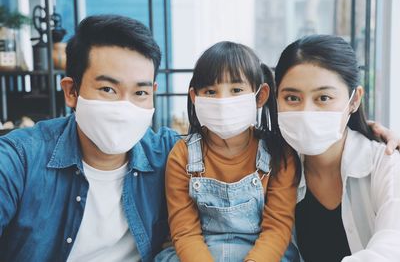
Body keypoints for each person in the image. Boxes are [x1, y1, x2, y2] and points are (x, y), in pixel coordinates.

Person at [0, 15, 179, 262]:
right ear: (71, 92)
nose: (124, 107)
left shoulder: (170, 155)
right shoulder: (21, 159)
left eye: (140, 92)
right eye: (108, 89)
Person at [155, 41, 300, 262]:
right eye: (211, 92)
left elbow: (277, 228)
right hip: (198, 253)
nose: (223, 101)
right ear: (195, 97)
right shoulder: (182, 155)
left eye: (236, 90)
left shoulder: (279, 154)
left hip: (262, 255)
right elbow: (185, 231)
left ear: (260, 96)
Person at [275, 34, 400, 262]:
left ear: (354, 100)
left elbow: (393, 245)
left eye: (323, 97)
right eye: (292, 98)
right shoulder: (270, 167)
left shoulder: (385, 163)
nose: (307, 113)